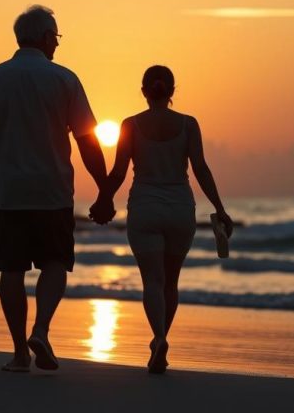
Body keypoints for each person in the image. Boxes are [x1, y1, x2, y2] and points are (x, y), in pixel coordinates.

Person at [0, 5, 115, 373]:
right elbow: (87, 141)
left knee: (11, 269)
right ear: (47, 38)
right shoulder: (64, 79)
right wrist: (105, 190)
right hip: (52, 189)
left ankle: (19, 354)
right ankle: (42, 330)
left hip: (7, 190)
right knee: (54, 263)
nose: (57, 45)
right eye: (56, 38)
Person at [97, 64, 233, 374]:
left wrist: (103, 199)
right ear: (172, 91)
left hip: (144, 208)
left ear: (144, 91)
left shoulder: (130, 125)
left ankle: (158, 337)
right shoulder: (188, 124)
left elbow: (118, 172)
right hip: (179, 210)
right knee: (170, 282)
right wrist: (220, 208)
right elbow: (200, 168)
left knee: (152, 282)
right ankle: (161, 338)